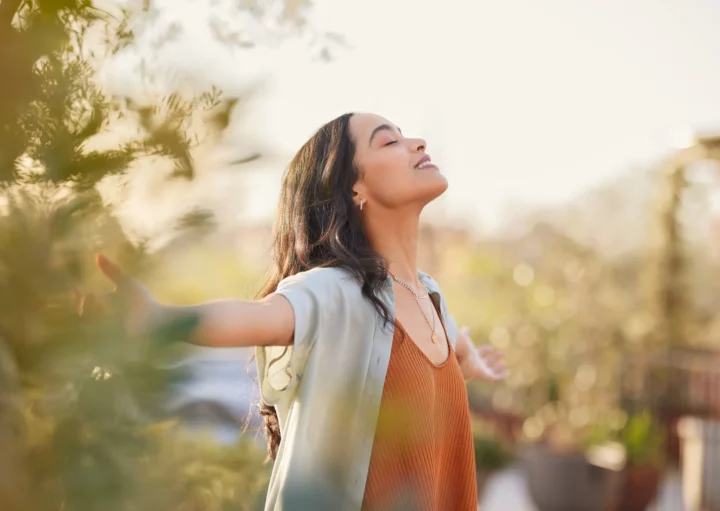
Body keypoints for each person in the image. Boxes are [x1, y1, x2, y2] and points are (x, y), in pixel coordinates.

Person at [86, 112, 509, 511]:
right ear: (354, 190)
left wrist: (464, 356)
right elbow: (259, 318)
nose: (418, 143)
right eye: (391, 141)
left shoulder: (430, 296)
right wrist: (160, 319)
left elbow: (440, 346)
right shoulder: (335, 292)